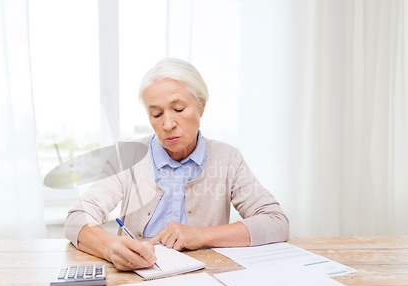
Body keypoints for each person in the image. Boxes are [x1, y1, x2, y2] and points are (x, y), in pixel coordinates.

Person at [65, 58, 289, 271]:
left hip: (206, 280)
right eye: (156, 113)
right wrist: (110, 246)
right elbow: (77, 218)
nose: (168, 124)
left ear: (201, 107)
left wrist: (201, 235)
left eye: (179, 109)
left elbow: (276, 222)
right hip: (137, 280)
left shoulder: (228, 159)